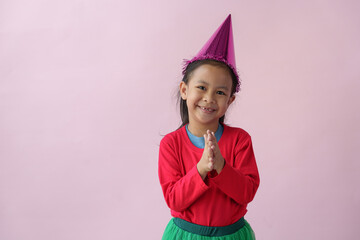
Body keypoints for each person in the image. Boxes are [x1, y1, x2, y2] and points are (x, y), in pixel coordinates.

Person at [158, 14, 260, 240]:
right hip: (186, 235)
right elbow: (174, 199)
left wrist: (221, 165)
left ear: (230, 101)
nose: (209, 98)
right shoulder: (171, 144)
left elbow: (247, 193)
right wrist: (202, 168)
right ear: (184, 90)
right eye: (202, 87)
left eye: (220, 92)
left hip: (232, 235)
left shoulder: (240, 140)